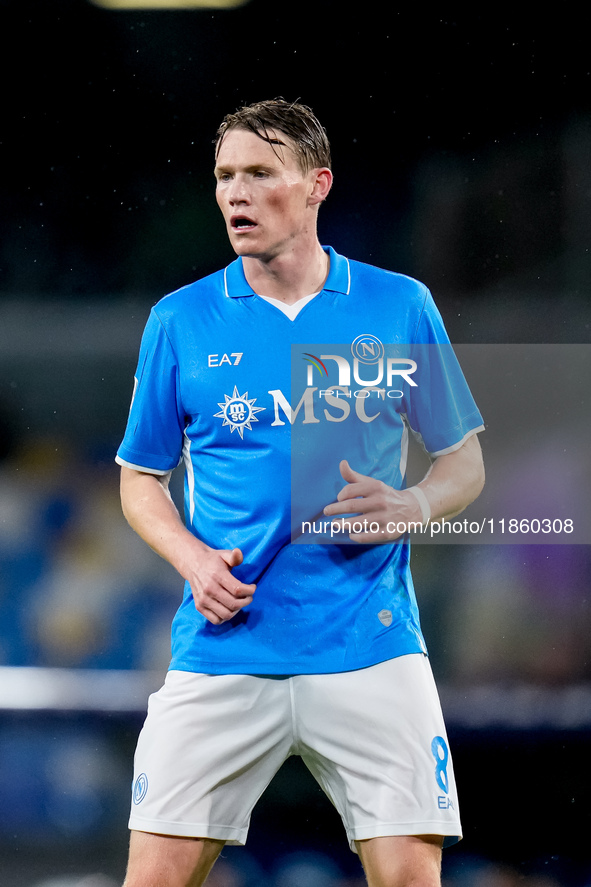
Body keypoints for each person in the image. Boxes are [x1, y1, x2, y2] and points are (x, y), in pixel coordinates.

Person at [116, 98, 485, 887]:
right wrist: (191, 557)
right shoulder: (180, 320)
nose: (234, 194)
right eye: (223, 176)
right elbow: (139, 477)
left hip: (368, 644)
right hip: (224, 647)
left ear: (316, 185)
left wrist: (413, 504)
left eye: (258, 173)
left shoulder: (396, 305)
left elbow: (462, 462)